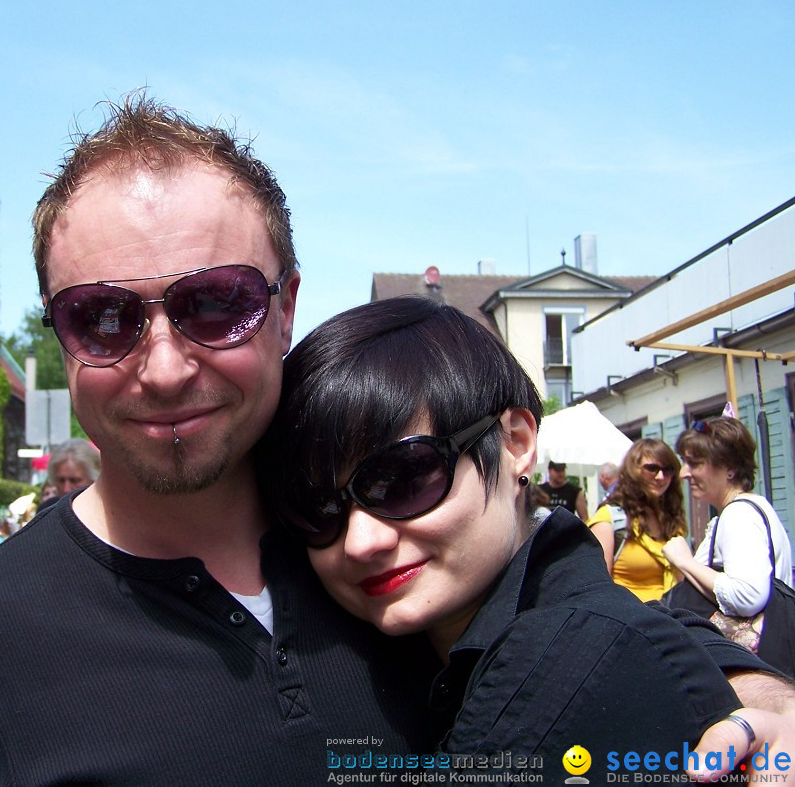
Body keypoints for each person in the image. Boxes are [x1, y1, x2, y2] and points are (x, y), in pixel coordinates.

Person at [0, 95, 795, 785]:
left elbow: (548, 572)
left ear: (284, 307)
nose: (162, 367)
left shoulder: (384, 530)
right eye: (103, 317)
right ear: (58, 335)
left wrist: (747, 691)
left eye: (215, 303)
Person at [257, 297, 743, 780]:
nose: (360, 541)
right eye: (319, 508)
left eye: (402, 479)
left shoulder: (580, 672)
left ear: (516, 443)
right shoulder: (429, 653)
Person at [664, 417, 793, 616]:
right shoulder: (748, 509)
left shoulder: (740, 515)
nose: (683, 473)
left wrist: (684, 561)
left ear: (730, 469)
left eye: (695, 463)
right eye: (684, 462)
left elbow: (748, 596)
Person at [586, 439, 685, 599]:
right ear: (633, 470)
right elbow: (597, 591)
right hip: (631, 620)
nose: (661, 477)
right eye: (652, 468)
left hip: (674, 617)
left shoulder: (670, 518)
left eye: (668, 470)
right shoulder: (610, 518)